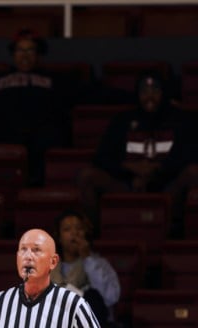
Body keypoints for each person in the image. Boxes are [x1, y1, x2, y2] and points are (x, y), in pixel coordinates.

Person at [78, 71, 198, 236]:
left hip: (167, 186)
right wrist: (129, 168)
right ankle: (94, 237)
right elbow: (102, 157)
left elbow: (189, 154)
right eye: (144, 91)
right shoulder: (122, 120)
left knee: (193, 172)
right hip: (128, 184)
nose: (150, 96)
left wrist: (156, 170)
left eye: (155, 91)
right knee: (87, 175)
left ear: (164, 93)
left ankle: (179, 236)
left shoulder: (181, 119)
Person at [0, 28, 70, 186]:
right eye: (20, 50)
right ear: (13, 54)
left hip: (41, 134)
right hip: (4, 133)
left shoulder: (54, 80)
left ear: (38, 54)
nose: (25, 55)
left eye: (30, 50)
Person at [51, 209, 121, 323]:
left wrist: (87, 259)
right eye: (67, 229)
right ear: (58, 237)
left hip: (93, 327)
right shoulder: (50, 268)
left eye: (79, 228)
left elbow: (110, 297)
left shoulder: (99, 264)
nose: (74, 233)